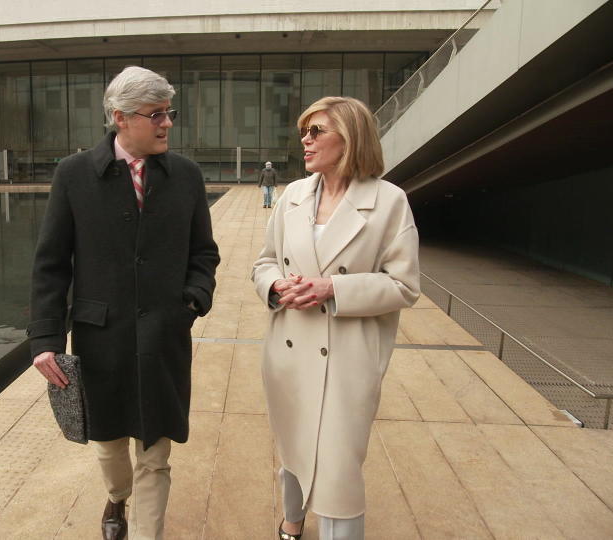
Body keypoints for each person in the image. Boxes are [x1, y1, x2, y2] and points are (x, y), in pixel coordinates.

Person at [29, 66, 220, 540]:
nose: (167, 123)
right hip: (101, 338)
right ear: (120, 118)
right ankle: (116, 498)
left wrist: (192, 300)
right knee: (108, 445)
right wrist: (45, 338)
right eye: (155, 114)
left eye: (169, 112)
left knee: (155, 453)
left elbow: (204, 253)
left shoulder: (186, 176)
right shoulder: (73, 176)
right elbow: (52, 263)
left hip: (164, 337)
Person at [251, 96, 420, 540]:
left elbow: (404, 285)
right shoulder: (292, 195)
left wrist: (334, 289)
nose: (304, 140)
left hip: (347, 360)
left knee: (340, 468)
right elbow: (265, 262)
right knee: (293, 445)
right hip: (288, 353)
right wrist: (274, 286)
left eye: (316, 131)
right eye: (304, 131)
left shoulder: (389, 201)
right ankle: (292, 520)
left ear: (350, 138)